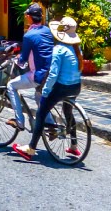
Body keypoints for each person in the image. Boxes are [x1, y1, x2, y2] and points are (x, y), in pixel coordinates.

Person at [12, 16, 84, 161]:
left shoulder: (58, 50)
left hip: (61, 88)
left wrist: (45, 91)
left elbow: (53, 75)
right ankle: (74, 146)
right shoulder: (77, 49)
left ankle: (31, 148)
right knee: (68, 112)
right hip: (76, 87)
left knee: (41, 113)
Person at [5, 3, 55, 131]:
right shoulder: (48, 31)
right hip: (51, 72)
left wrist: (16, 59)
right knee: (39, 96)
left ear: (28, 17)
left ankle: (19, 121)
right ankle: (51, 125)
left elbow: (22, 61)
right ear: (41, 17)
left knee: (11, 85)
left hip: (38, 75)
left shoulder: (28, 35)